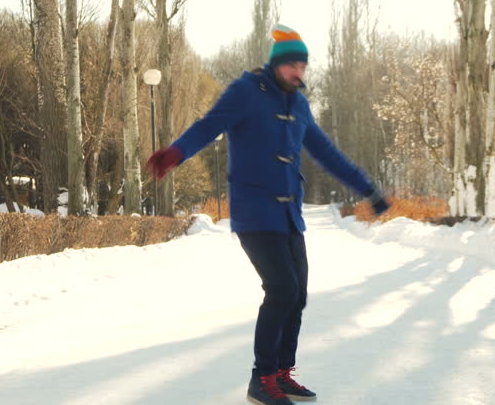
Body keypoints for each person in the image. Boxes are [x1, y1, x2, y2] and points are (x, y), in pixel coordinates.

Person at [146, 24, 389, 405]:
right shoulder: (246, 92)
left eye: (302, 66)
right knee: (281, 289)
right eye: (292, 65)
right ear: (276, 65)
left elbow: (326, 153)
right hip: (254, 212)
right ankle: (261, 380)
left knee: (298, 295)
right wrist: (176, 152)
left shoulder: (299, 105)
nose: (299, 72)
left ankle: (281, 373)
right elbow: (209, 125)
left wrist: (368, 188)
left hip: (289, 215)